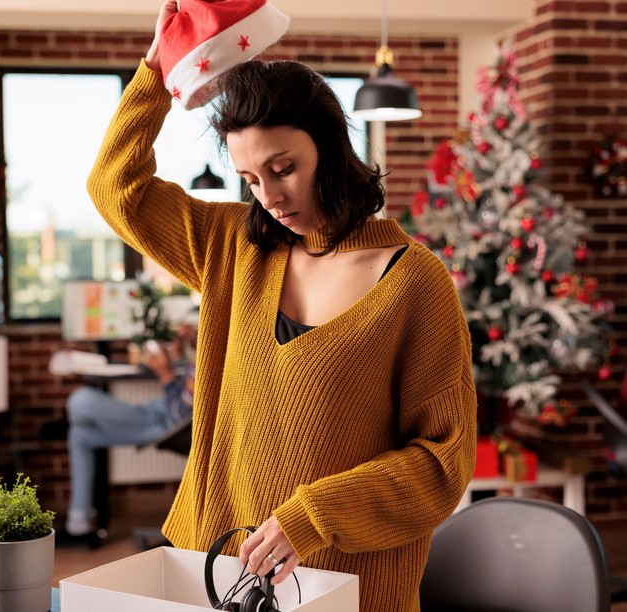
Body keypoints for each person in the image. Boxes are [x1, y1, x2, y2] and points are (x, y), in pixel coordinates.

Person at [86, 1, 477, 608]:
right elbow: (115, 187)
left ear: (329, 145)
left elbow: (442, 463)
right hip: (212, 573)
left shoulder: (414, 284)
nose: (269, 196)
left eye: (283, 168)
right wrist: (156, 70)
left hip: (349, 590)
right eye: (249, 178)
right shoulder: (235, 249)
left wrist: (313, 516)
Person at [60, 326, 195, 547]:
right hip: (161, 410)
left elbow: (181, 415)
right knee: (79, 435)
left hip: (173, 423)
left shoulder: (211, 348)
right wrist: (190, 345)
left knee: (80, 400)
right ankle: (78, 526)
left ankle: (78, 419)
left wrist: (166, 375)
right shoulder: (204, 345)